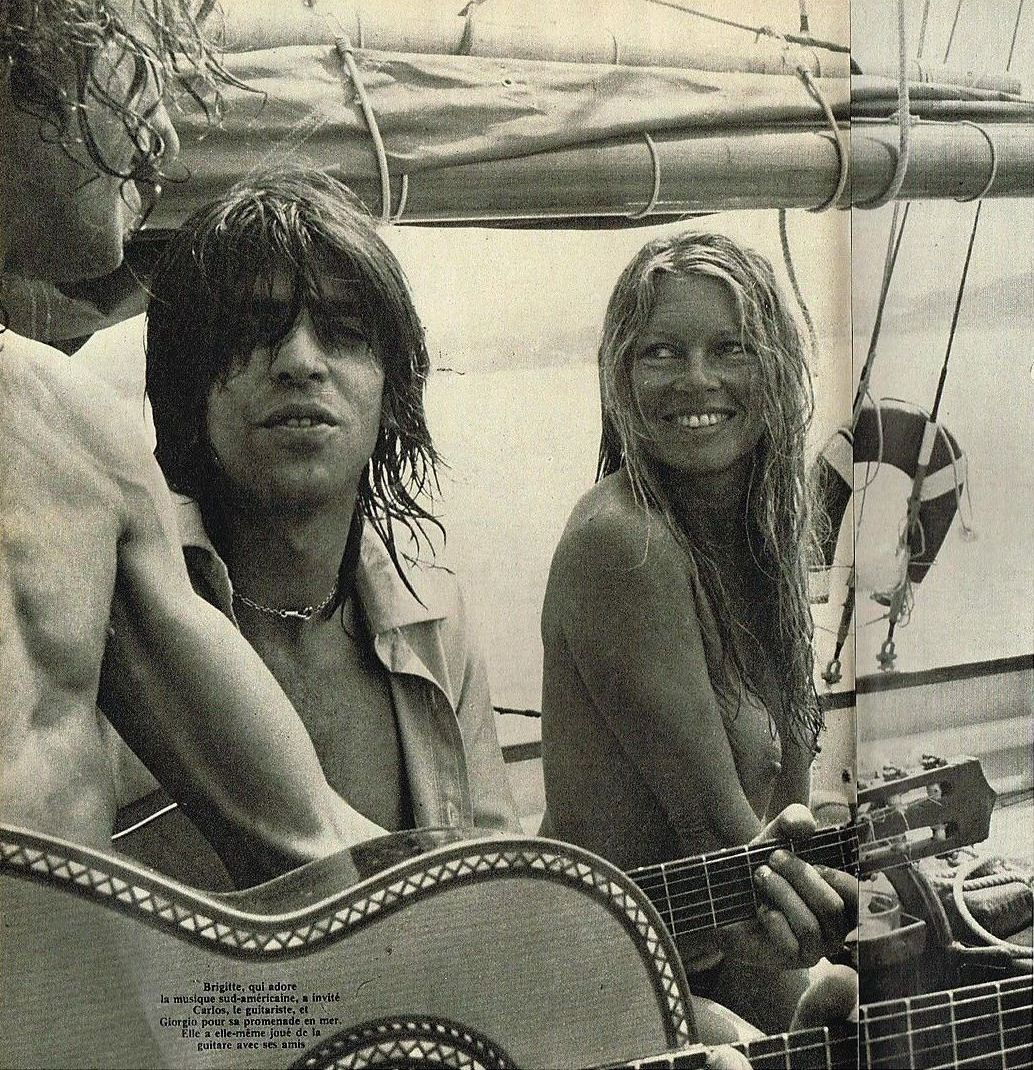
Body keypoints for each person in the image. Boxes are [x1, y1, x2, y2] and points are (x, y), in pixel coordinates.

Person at [0, 0, 385, 887]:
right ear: (20, 49)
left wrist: (580, 910)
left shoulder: (82, 432)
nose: (165, 139)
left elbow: (315, 842)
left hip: (66, 981)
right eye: (136, 71)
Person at [107, 166, 519, 887]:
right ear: (187, 388)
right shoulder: (114, 608)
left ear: (392, 394)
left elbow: (494, 903)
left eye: (344, 332)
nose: (300, 362)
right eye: (253, 331)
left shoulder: (434, 623)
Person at [539, 231, 856, 1033]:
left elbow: (783, 828)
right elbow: (721, 838)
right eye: (662, 353)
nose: (698, 379)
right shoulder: (623, 542)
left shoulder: (770, 545)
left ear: (775, 368)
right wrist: (803, 932)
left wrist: (817, 918)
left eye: (731, 348)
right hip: (601, 982)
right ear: (620, 376)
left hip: (719, 956)